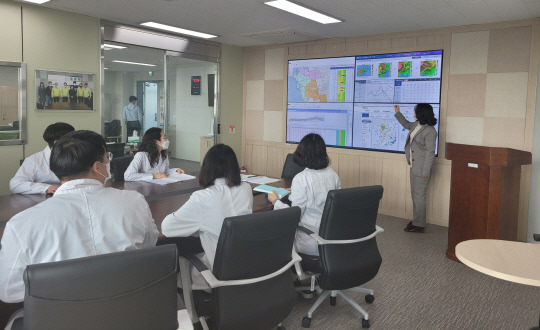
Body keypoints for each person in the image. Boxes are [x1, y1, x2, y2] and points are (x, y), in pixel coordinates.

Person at [0, 130, 159, 303]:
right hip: (130, 313)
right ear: (97, 167)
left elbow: (8, 292)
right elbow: (149, 245)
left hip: (59, 318)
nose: (109, 162)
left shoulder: (21, 224)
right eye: (107, 158)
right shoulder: (135, 201)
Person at [161, 144, 253, 289]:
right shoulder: (246, 189)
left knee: (178, 263)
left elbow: (167, 228)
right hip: (248, 264)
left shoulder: (203, 197)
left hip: (218, 273)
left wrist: (197, 225)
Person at [268, 133, 341, 256]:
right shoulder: (333, 175)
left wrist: (275, 201)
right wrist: (296, 191)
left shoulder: (301, 178)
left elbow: (294, 216)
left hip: (310, 240)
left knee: (271, 232)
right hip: (331, 238)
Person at [394, 104, 437, 233]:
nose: (414, 113)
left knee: (419, 196)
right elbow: (406, 124)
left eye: (415, 111)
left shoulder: (430, 131)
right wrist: (397, 113)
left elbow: (430, 153)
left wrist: (426, 172)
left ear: (421, 113)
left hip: (422, 168)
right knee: (415, 195)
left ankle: (419, 225)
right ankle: (417, 220)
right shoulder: (416, 125)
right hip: (414, 166)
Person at [10, 122, 75, 195]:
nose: (75, 143)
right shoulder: (34, 160)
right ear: (56, 143)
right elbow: (15, 185)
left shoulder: (78, 156)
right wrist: (45, 188)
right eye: (71, 140)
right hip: (44, 200)